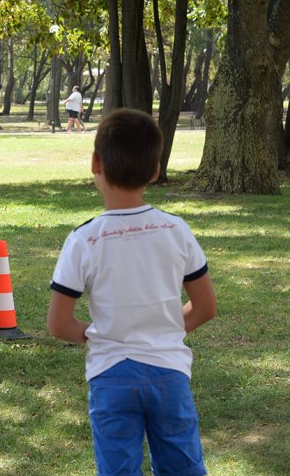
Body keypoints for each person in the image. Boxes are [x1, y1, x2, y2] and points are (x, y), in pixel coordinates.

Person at [47, 109, 217, 476]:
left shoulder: (83, 240)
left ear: (95, 163)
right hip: (170, 375)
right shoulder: (177, 229)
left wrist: (102, 336)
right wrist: (163, 330)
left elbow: (58, 324)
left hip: (111, 376)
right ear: (155, 170)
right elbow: (205, 307)